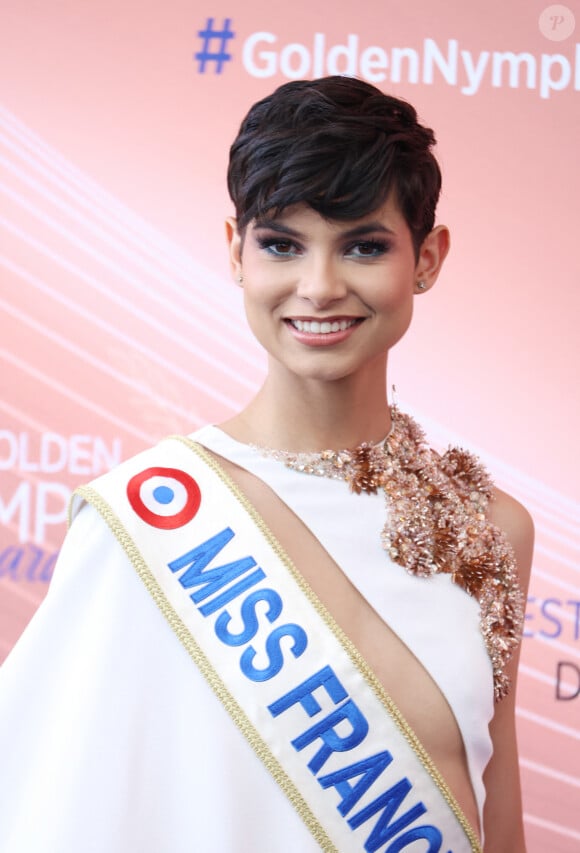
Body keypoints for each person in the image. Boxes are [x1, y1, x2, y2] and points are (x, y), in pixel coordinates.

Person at [0, 77, 533, 853]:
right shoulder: (147, 525)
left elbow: (499, 818)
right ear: (235, 252)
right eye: (282, 244)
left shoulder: (491, 530)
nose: (318, 286)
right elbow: (52, 804)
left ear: (427, 257)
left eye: (363, 244)